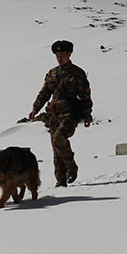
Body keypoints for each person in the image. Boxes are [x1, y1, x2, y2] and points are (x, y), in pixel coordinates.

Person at [29, 40, 93, 187]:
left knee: (59, 138)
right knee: (56, 148)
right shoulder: (52, 73)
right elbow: (44, 92)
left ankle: (71, 166)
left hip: (70, 113)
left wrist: (87, 114)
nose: (59, 58)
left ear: (69, 54)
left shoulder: (78, 73)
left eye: (62, 55)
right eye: (57, 55)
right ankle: (61, 181)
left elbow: (85, 96)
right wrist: (35, 109)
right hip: (54, 114)